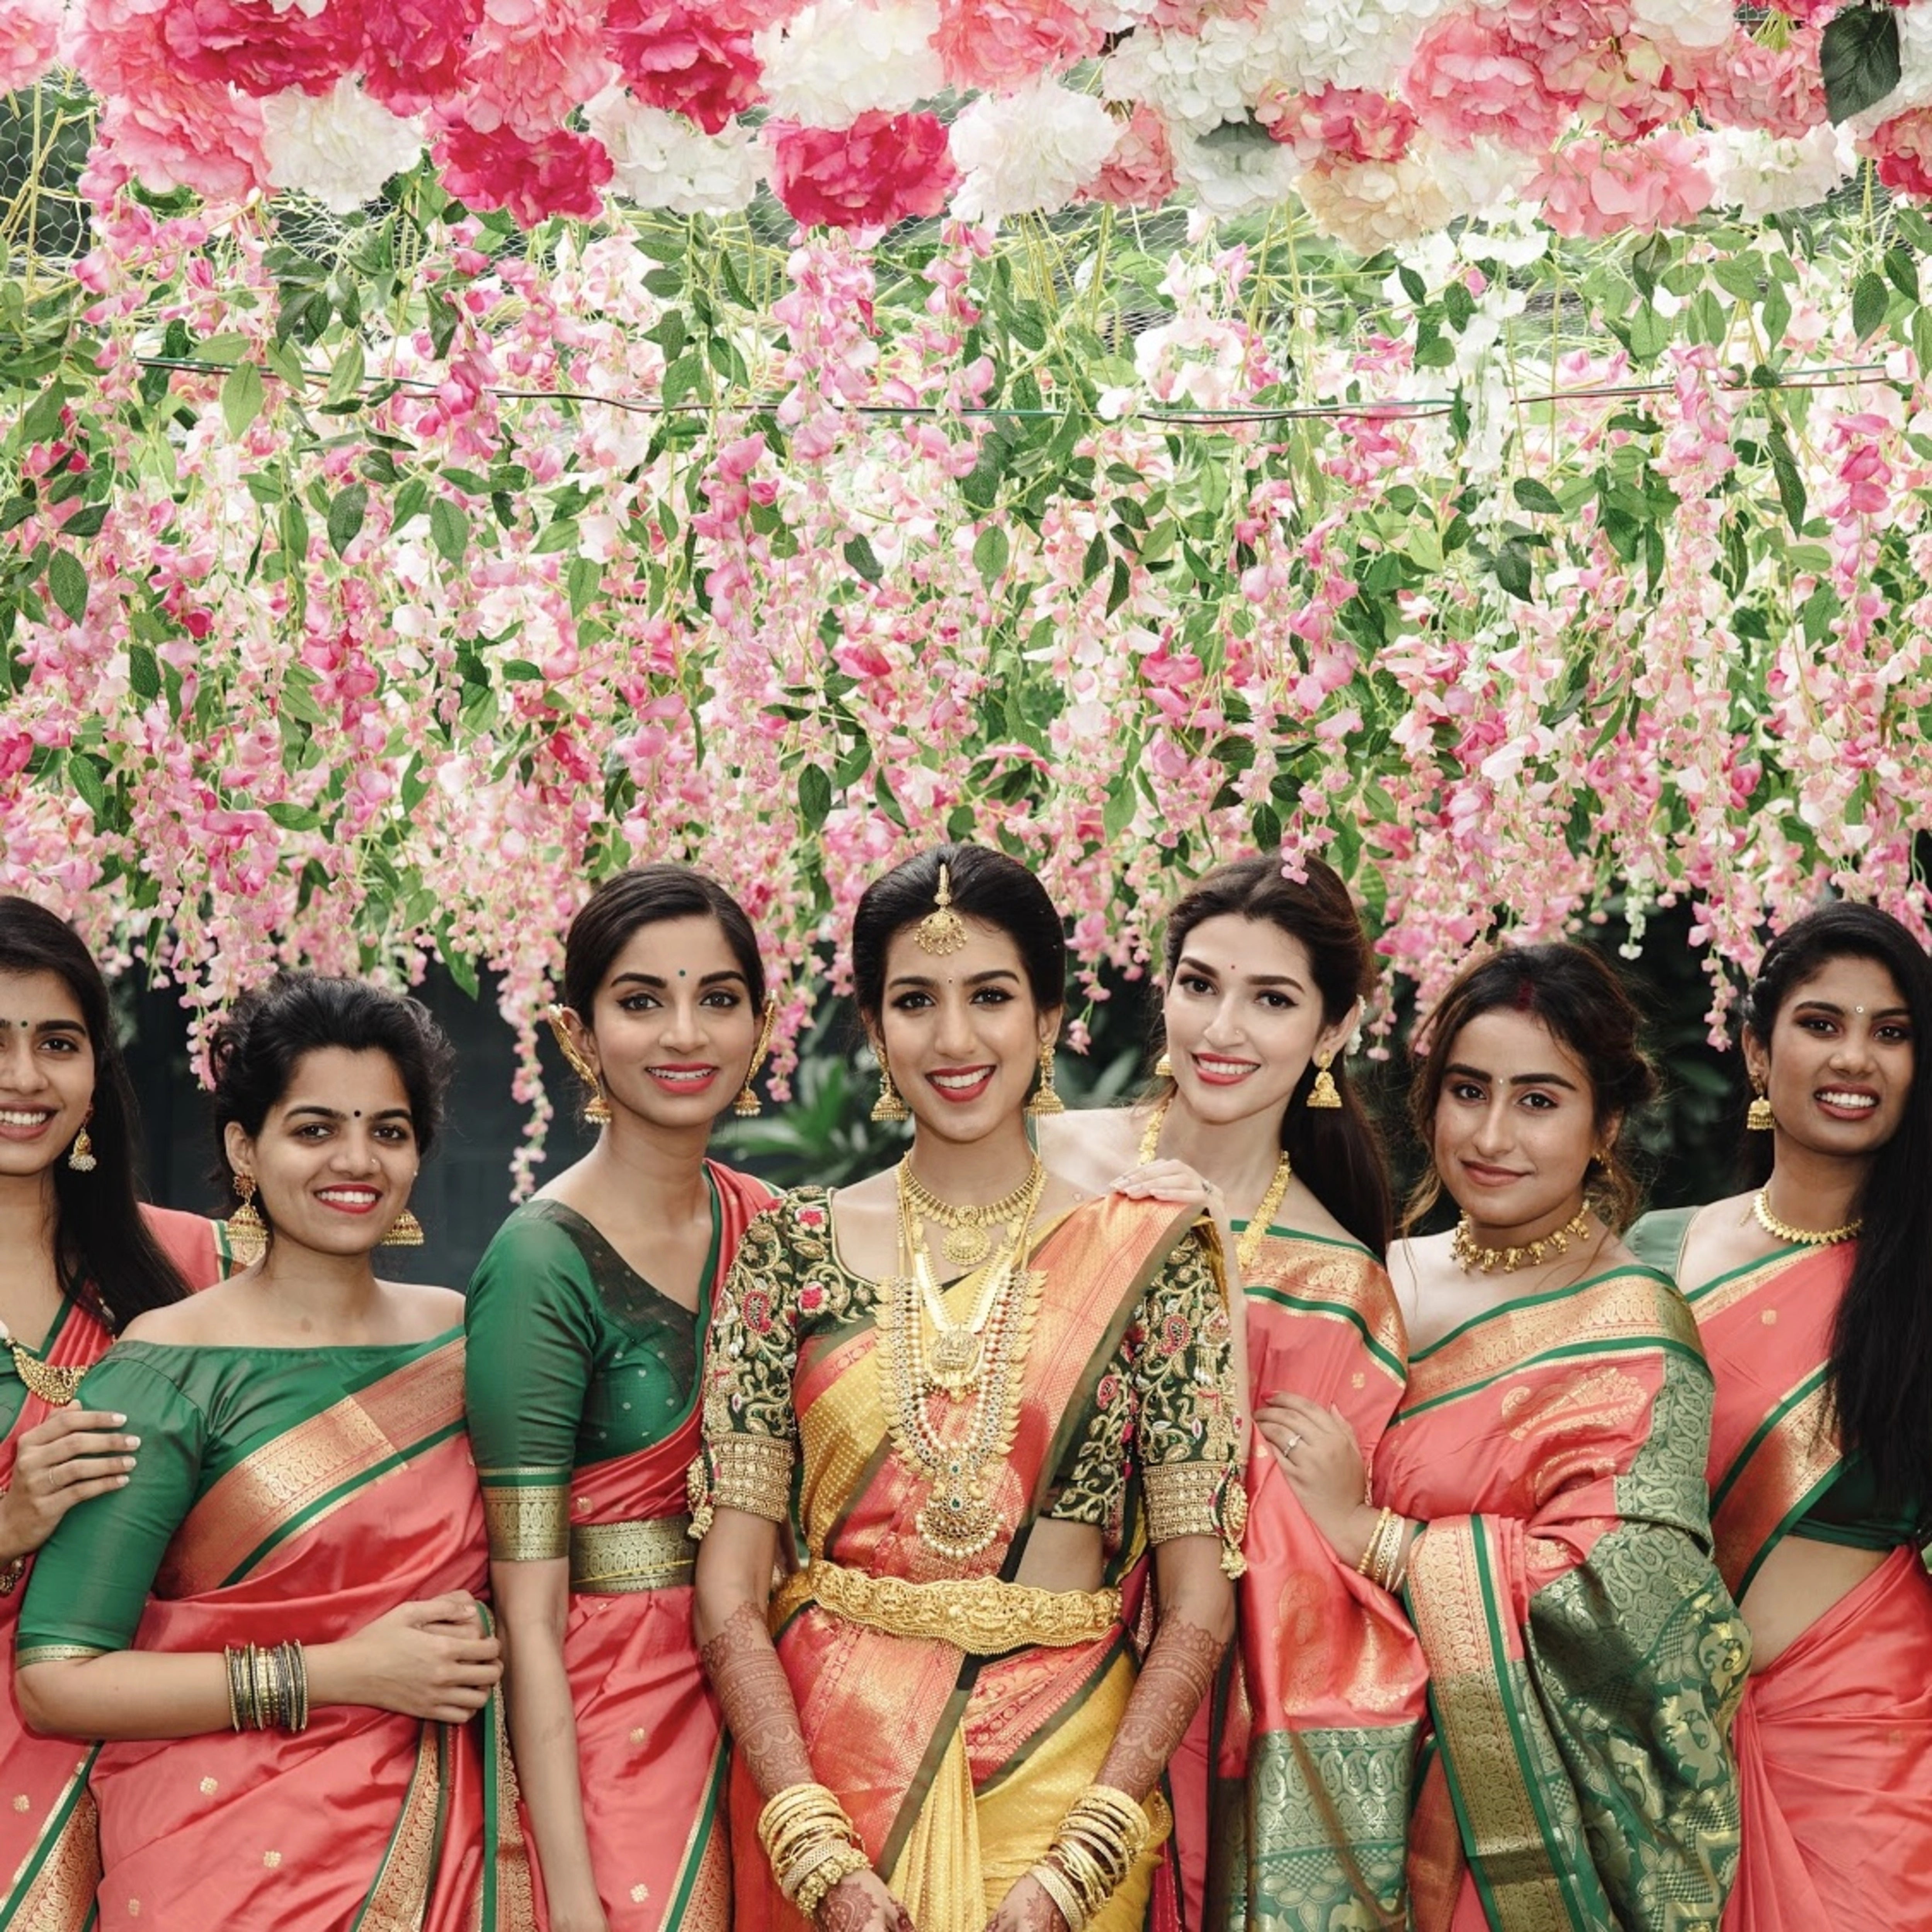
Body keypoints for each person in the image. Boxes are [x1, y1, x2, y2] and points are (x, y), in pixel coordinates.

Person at [690, 842, 1245, 1932]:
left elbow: (1199, 1602)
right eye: (915, 1001)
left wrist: (1080, 1858)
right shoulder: (790, 1254)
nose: (953, 1040)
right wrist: (812, 1843)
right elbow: (729, 1591)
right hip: (834, 1778)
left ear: (1048, 1019)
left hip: (1069, 1777)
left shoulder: (1151, 1254)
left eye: (990, 996)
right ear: (873, 1027)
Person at [15, 973, 534, 1930]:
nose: (357, 1159)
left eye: (388, 1129)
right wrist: (340, 1672)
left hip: (453, 1850)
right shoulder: (164, 1369)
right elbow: (58, 1678)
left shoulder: (469, 1342)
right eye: (314, 1128)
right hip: (228, 1864)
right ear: (244, 1148)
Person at [1255, 943, 1745, 1930]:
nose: (1490, 1135)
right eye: (1467, 1091)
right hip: (1325, 1782)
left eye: (1537, 1100)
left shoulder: (1635, 1327)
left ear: (1604, 1123)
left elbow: (1632, 1602)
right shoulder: (1371, 1274)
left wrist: (1375, 1538)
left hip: (1505, 1828)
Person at [1036, 854, 1413, 1927]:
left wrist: (1216, 1274)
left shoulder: (1344, 1287)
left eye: (1273, 999)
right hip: (983, 1639)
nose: (1223, 1028)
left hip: (1188, 1715)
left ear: (1334, 1032)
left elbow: (1280, 1551)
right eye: (1200, 984)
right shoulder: (1045, 1160)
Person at [466, 867, 777, 1932]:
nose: (684, 1034)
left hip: (781, 1685)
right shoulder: (542, 1261)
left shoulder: (779, 1230)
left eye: (718, 999)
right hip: (615, 1711)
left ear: (763, 1023)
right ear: (578, 1033)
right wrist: (571, 1903)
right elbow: (530, 1618)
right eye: (642, 1001)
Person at [1628, 902, 1932, 1930]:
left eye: (1892, 1033)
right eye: (1822, 1023)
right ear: (1758, 1050)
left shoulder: (1922, 1285)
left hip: (1871, 1755)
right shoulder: (1647, 1257)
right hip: (1652, 1747)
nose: (1857, 1058)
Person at [0, 896, 229, 1924]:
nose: (24, 1079)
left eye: (58, 1042)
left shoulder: (199, 1270)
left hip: (178, 1742)